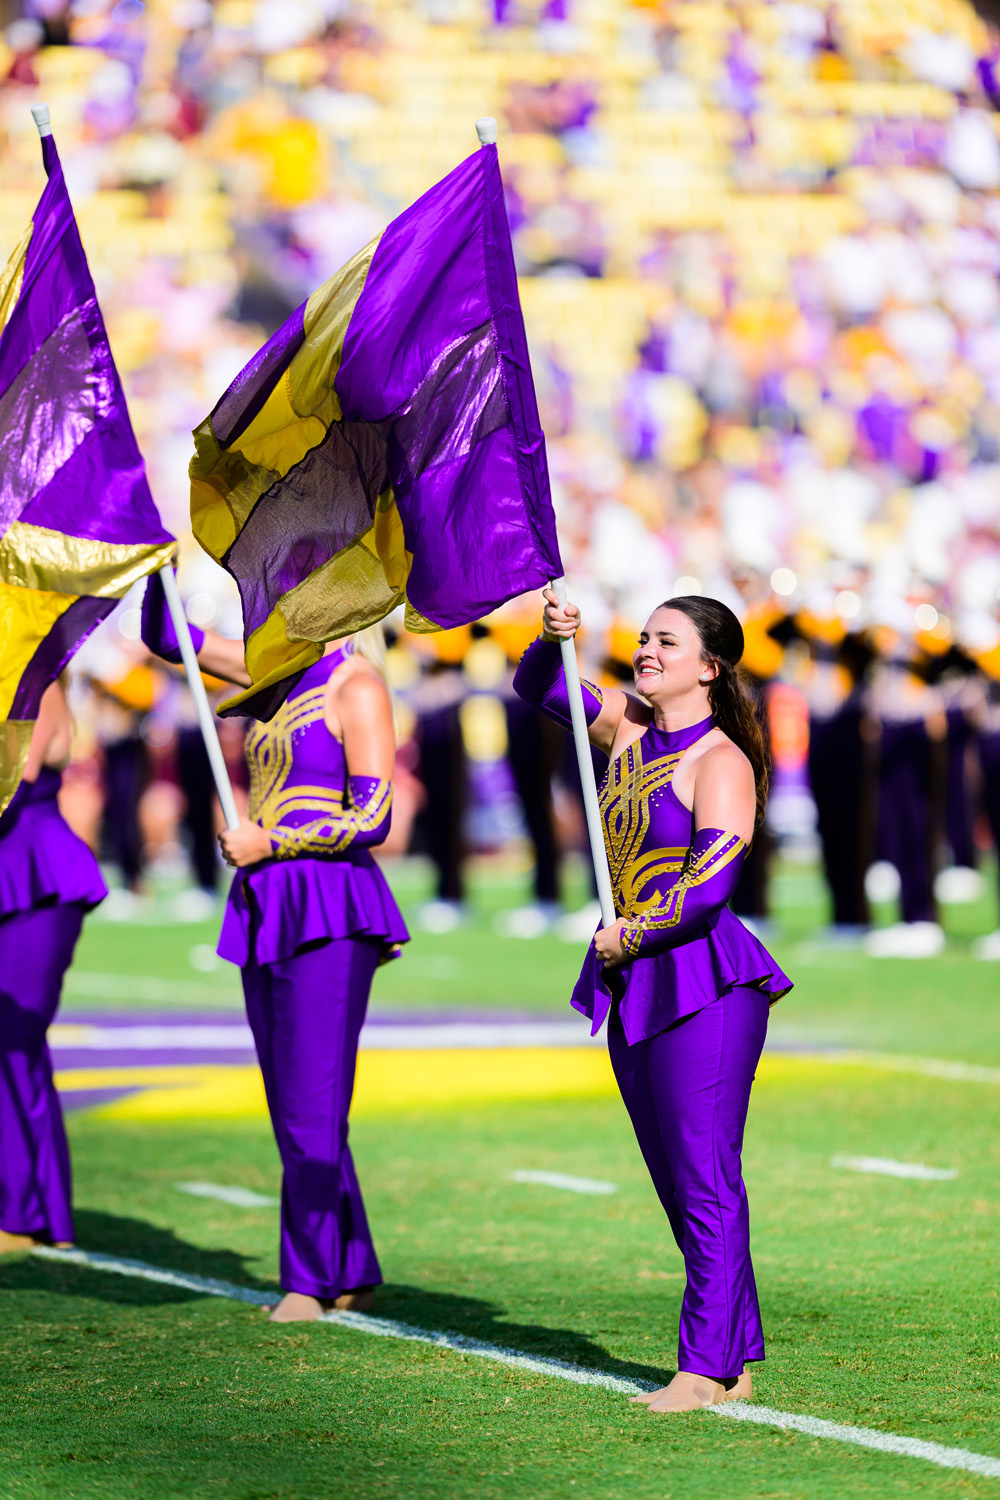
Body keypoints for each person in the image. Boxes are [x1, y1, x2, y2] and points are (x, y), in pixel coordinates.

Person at [514, 589, 791, 1413]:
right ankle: (734, 1354)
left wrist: (628, 934)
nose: (646, 651)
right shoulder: (626, 729)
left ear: (709, 667)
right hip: (635, 977)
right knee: (677, 1181)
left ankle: (703, 1369)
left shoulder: (722, 763)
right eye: (642, 638)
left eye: (666, 642)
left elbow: (707, 890)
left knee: (706, 1177)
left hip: (704, 980)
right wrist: (550, 637)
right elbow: (542, 687)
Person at [141, 574, 408, 1321]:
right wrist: (156, 564)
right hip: (268, 902)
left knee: (311, 1096)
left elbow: (375, 815)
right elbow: (171, 641)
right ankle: (349, 1264)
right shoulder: (272, 670)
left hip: (327, 903)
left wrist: (274, 840)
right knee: (293, 1094)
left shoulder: (355, 686)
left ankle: (309, 1279)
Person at [0, 679, 107, 1253]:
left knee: (14, 1038)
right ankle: (39, 1210)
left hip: (38, 879)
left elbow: (15, 781)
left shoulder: (33, 685)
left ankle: (22, 1215)